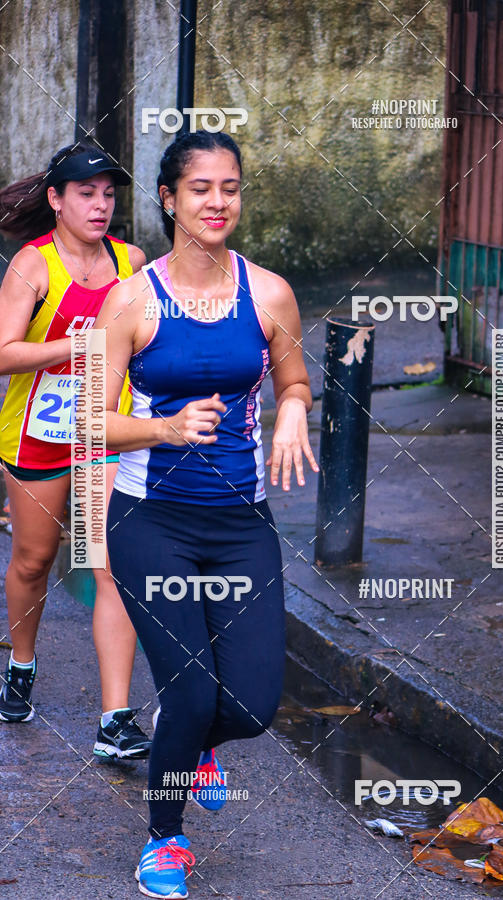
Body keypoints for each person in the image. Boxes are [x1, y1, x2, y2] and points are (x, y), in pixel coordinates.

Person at [96, 130, 318, 899]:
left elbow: (293, 378)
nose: (217, 201)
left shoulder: (269, 293)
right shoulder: (130, 300)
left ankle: (192, 745)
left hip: (240, 523)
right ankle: (164, 838)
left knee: (253, 706)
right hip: (151, 519)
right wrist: (162, 426)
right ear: (169, 199)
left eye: (229, 187)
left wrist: (293, 409)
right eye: (200, 188)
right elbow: (90, 420)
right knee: (190, 692)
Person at [0, 142, 152, 759]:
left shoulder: (131, 260)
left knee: (107, 566)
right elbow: (3, 353)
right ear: (56, 201)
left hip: (100, 434)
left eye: (109, 194)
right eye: (86, 193)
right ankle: (22, 665)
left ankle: (114, 720)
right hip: (35, 430)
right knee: (35, 562)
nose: (100, 205)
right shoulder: (31, 267)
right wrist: (83, 346)